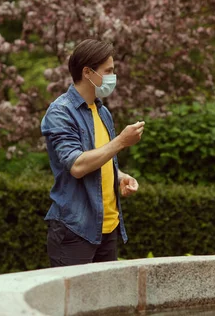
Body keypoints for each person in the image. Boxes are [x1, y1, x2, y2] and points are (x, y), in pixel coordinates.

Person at [40, 39, 145, 267]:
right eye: (108, 71)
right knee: (74, 303)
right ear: (87, 72)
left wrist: (120, 177)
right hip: (74, 231)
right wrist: (121, 142)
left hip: (107, 228)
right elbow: (77, 166)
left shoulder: (102, 111)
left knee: (105, 302)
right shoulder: (60, 112)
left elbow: (101, 160)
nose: (112, 77)